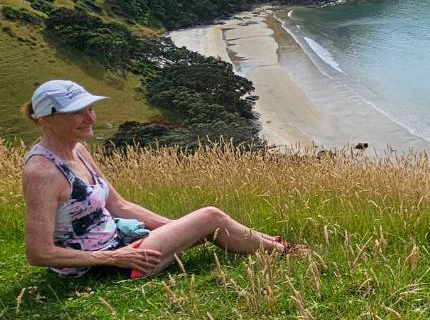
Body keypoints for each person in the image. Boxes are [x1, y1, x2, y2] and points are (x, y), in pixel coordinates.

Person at [21, 79, 302, 279]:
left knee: (203, 226)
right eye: (76, 113)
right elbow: (38, 252)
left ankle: (268, 243)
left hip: (121, 244)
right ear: (45, 119)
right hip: (98, 268)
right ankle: (285, 251)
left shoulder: (78, 150)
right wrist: (113, 258)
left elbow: (119, 205)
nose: (89, 118)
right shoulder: (42, 173)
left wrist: (178, 228)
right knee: (211, 216)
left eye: (90, 109)